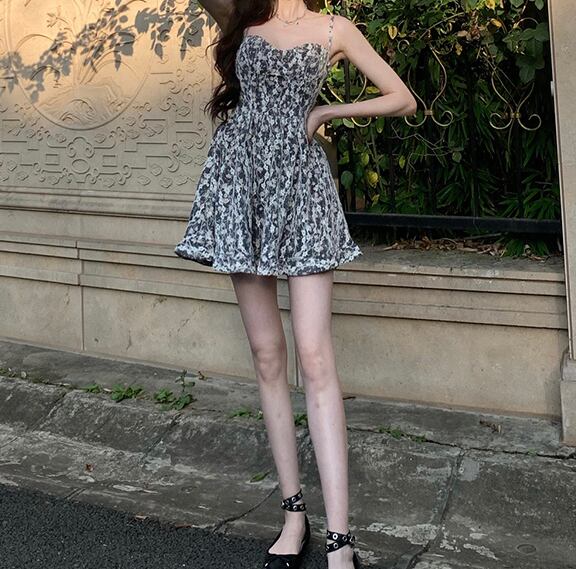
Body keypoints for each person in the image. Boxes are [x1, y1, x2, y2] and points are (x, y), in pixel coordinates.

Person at [174, 1, 417, 567]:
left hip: (303, 190)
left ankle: (340, 540)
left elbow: (402, 97)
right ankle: (293, 514)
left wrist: (327, 110)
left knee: (315, 355)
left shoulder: (334, 29)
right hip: (242, 180)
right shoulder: (242, 17)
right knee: (267, 355)